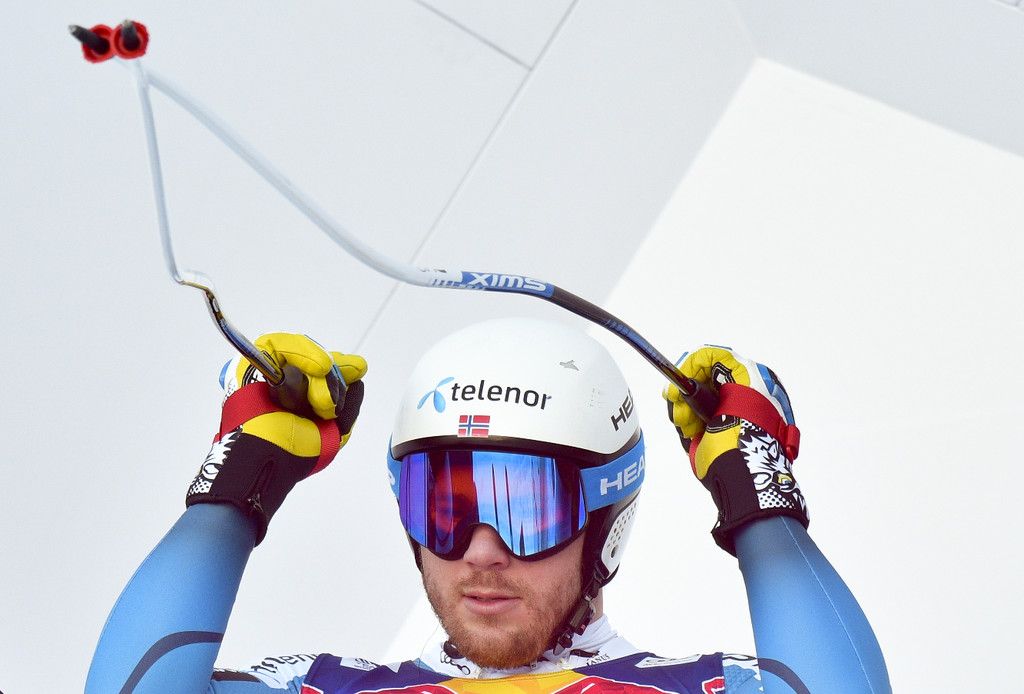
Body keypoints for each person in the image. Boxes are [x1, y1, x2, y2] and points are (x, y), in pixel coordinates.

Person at [86, 318, 891, 693]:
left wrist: (760, 500)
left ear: (605, 521)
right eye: (442, 506)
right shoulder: (322, 688)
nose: (478, 550)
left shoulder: (707, 688)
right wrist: (238, 483)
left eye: (524, 507)